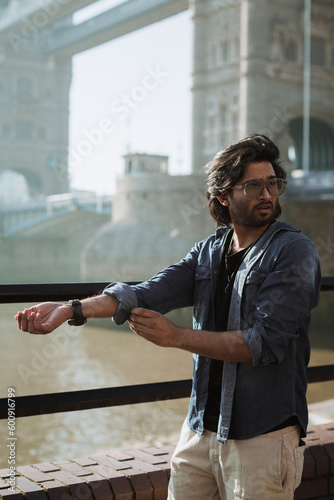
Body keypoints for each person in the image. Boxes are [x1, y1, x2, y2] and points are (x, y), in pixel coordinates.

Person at [15, 134, 321, 499]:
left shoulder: (293, 252)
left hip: (264, 435)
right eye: (253, 186)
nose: (268, 195)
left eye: (272, 183)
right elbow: (146, 294)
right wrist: (71, 309)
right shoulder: (208, 251)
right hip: (199, 431)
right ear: (223, 196)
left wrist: (176, 337)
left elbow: (263, 342)